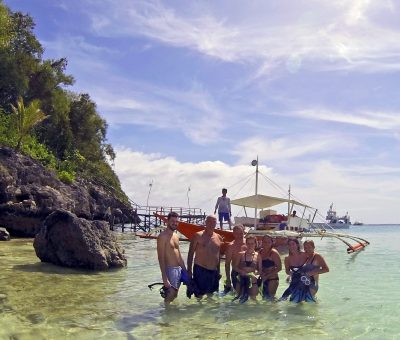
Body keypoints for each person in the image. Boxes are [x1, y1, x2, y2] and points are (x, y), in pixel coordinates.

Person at [187, 215, 223, 298]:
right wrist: (189, 270)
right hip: (200, 270)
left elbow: (218, 255)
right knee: (199, 296)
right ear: (205, 222)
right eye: (209, 221)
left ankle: (208, 311)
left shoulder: (219, 237)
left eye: (214, 221)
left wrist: (219, 271)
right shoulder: (198, 235)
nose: (211, 223)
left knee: (211, 295)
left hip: (214, 271)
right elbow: (191, 253)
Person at [157, 211, 187, 304]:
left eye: (176, 221)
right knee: (170, 295)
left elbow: (179, 255)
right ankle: (165, 314)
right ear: (167, 221)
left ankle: (172, 316)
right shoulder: (162, 237)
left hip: (178, 269)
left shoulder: (176, 236)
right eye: (173, 221)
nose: (175, 223)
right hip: (170, 269)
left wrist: (185, 270)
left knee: (175, 295)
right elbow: (160, 258)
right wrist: (164, 278)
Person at [280, 238, 314, 303]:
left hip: (305, 282)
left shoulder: (305, 255)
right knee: (285, 298)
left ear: (297, 245)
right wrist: (291, 273)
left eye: (293, 244)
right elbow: (287, 271)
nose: (291, 246)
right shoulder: (287, 258)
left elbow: (312, 264)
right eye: (289, 245)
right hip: (294, 282)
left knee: (301, 300)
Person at [233, 236, 259, 303]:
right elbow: (234, 267)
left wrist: (255, 273)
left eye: (252, 243)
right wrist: (241, 271)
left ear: (255, 244)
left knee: (254, 300)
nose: (250, 245)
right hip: (241, 279)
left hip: (253, 281)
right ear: (246, 244)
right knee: (239, 299)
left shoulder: (258, 256)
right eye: (248, 243)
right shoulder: (240, 254)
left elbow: (260, 270)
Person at [224, 224, 247, 294]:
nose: (239, 236)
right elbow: (227, 263)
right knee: (239, 295)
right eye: (237, 234)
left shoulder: (249, 243)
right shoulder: (231, 246)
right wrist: (228, 279)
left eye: (241, 233)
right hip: (236, 273)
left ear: (244, 232)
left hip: (248, 271)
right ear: (233, 234)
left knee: (250, 295)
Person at [258, 235, 282, 300]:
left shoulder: (274, 253)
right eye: (264, 242)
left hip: (272, 279)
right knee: (264, 298)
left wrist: (267, 276)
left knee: (271, 299)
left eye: (268, 242)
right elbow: (258, 265)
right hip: (263, 278)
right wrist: (261, 273)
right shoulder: (260, 252)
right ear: (262, 242)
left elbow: (279, 268)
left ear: (272, 243)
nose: (266, 244)